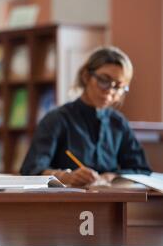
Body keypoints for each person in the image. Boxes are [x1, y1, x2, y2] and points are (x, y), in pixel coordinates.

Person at [20, 46, 151, 186]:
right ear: (86, 76)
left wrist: (109, 177)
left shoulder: (118, 123)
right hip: (66, 202)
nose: (110, 91)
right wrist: (65, 176)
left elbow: (141, 169)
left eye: (118, 86)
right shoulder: (56, 119)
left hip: (111, 202)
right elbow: (31, 170)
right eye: (104, 80)